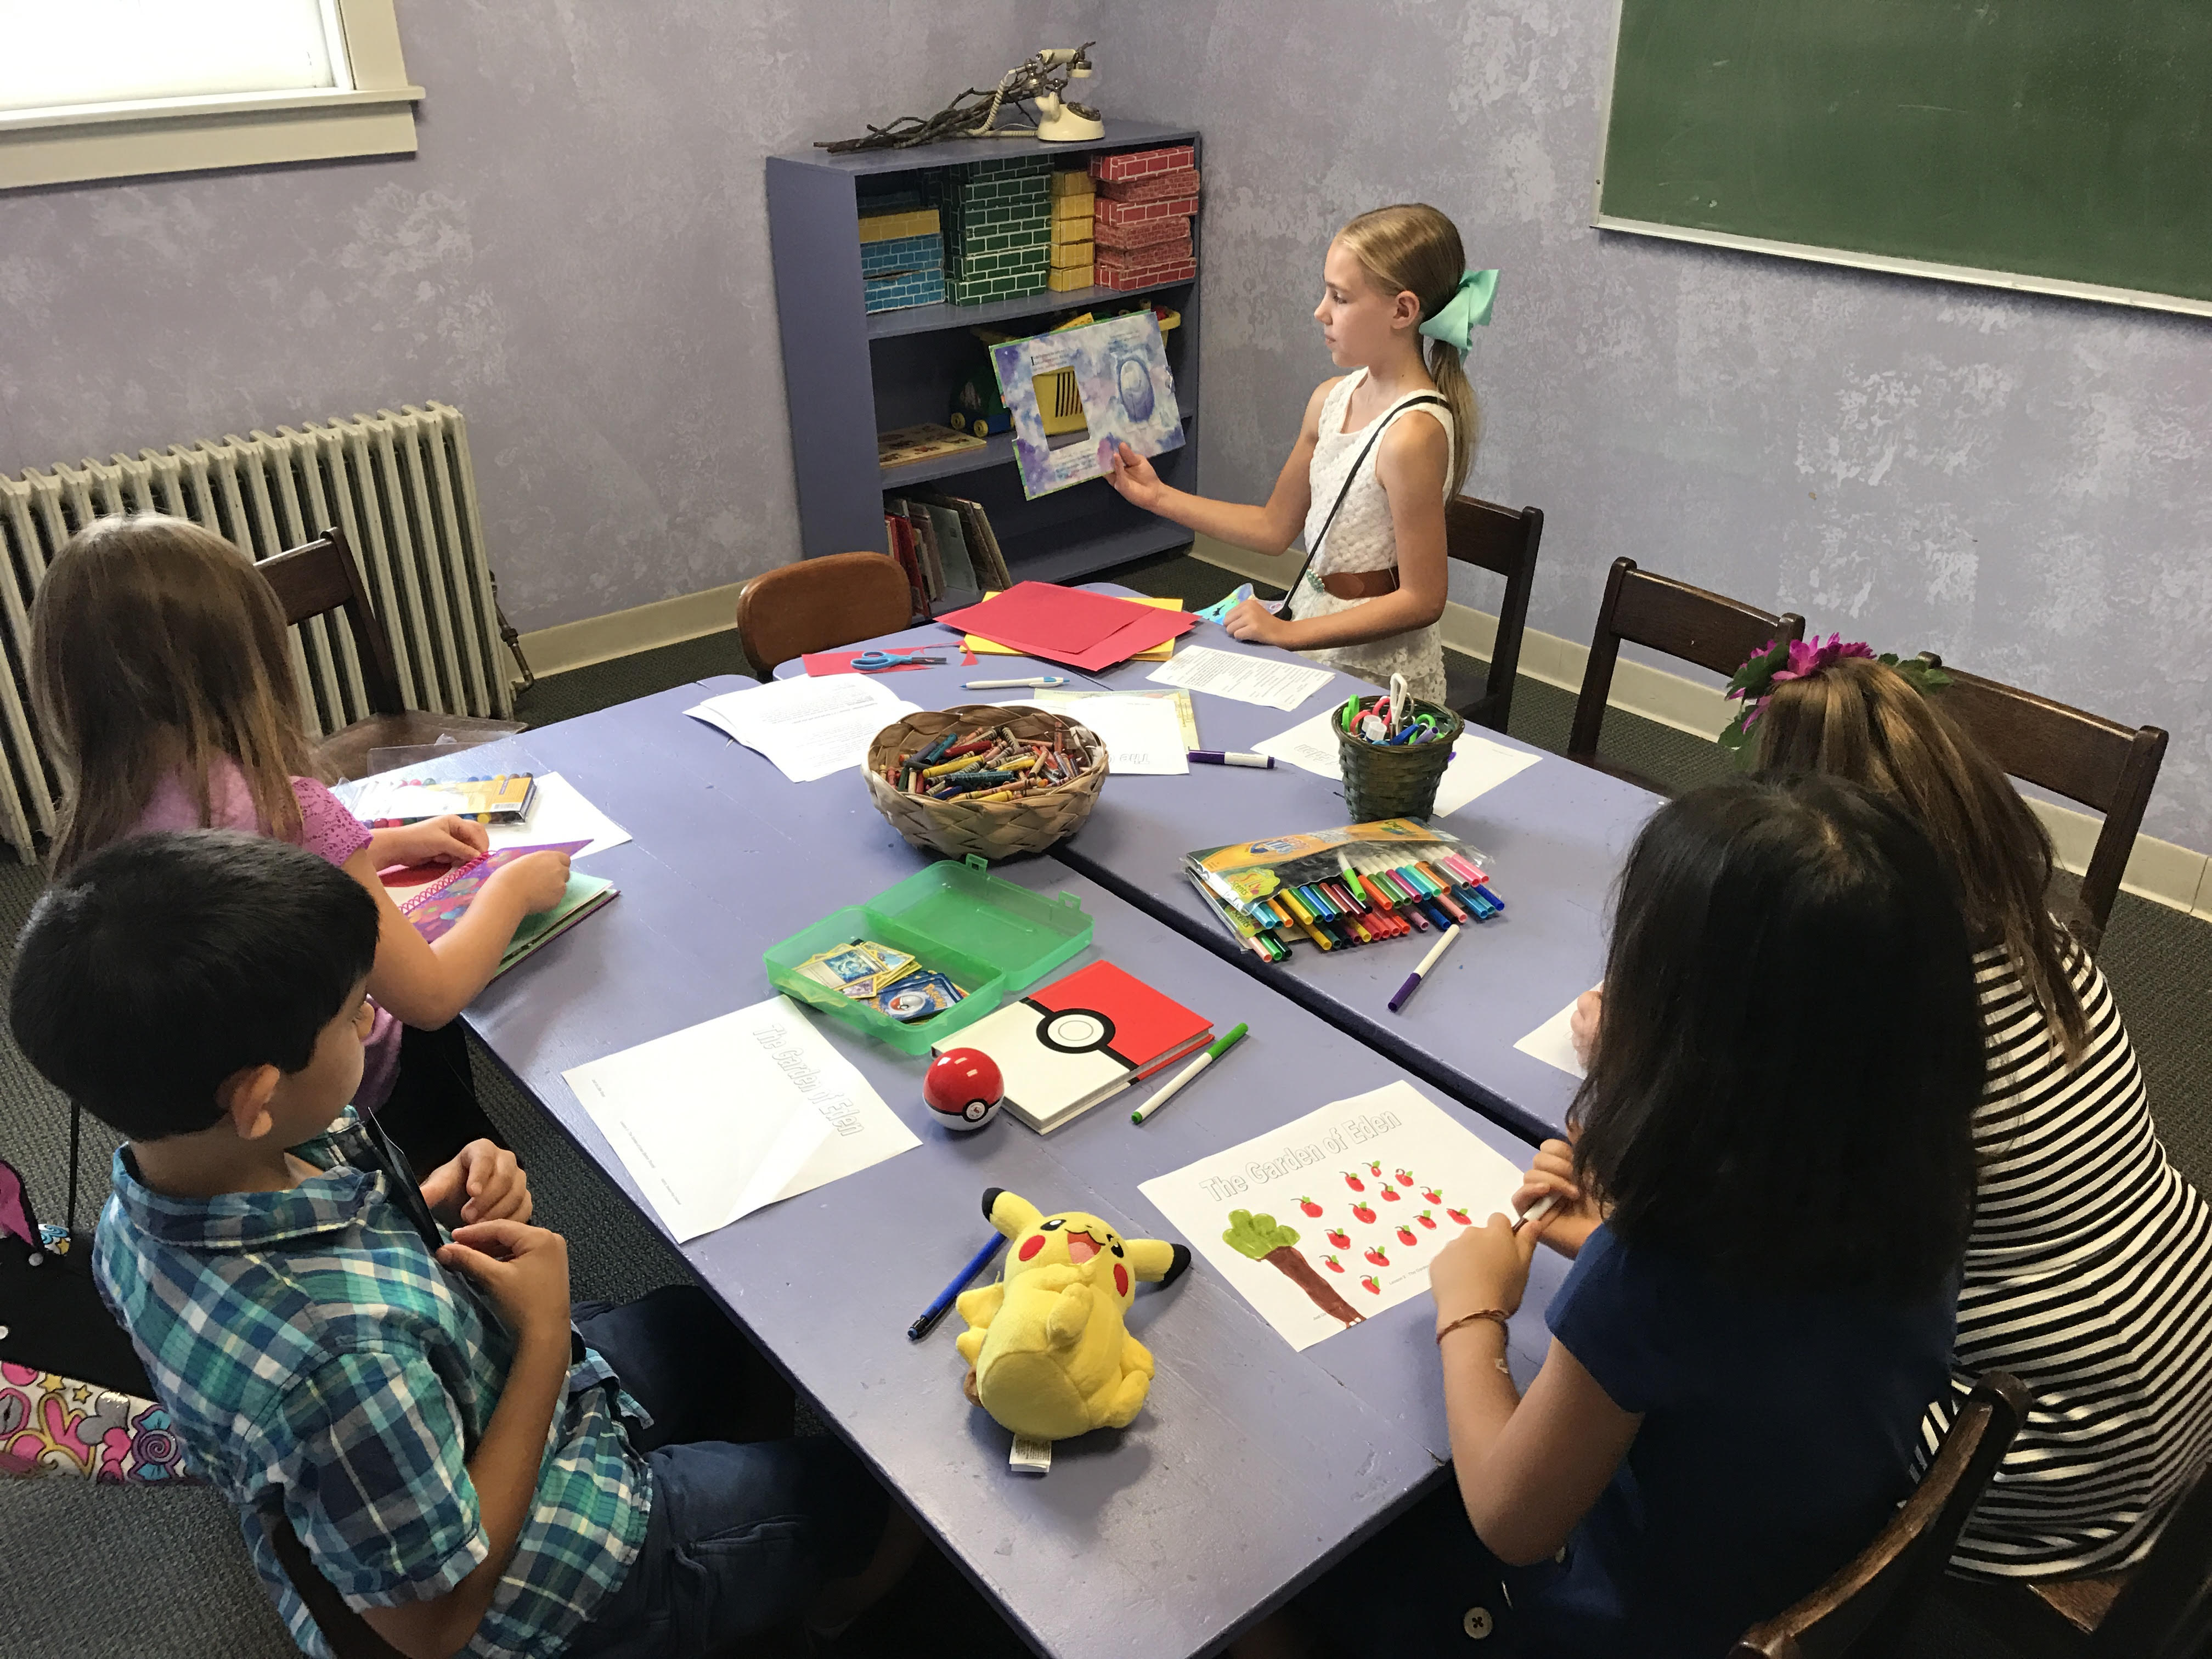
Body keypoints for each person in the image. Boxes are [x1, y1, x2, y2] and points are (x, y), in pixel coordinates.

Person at [11, 831, 913, 1658]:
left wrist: (432, 1206)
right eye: (353, 1011)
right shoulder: (336, 1354)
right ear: (254, 1093)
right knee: (870, 1488)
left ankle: (723, 1530)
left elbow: (343, 1265)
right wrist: (546, 1341)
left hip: (455, 1408)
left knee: (709, 1328)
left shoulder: (169, 1181)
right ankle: (788, 1594)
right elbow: (433, 1620)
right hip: (540, 1582)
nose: (371, 1022)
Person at [1260, 776, 1988, 1658]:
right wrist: (1609, 1232)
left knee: (1284, 1556)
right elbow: (1752, 1337)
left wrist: (1473, 1307)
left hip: (1623, 1624)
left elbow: (1508, 1518)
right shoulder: (1914, 1171)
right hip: (1773, 1560)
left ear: (1687, 1035)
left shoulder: (1661, 1271)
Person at [1729, 644, 2211, 1577]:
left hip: (2041, 1459)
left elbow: (1765, 1245)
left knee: (1721, 1380)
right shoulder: (2045, 950)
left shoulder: (1895, 1041)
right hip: (2179, 1355)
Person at [29, 512, 568, 1170]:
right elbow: (428, 998)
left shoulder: (96, 825)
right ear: (250, 661)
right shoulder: (289, 810)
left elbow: (248, 882)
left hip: (235, 1114)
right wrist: (514, 888)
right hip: (365, 1093)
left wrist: (380, 845)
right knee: (476, 1192)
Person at [1104, 203, 1492, 704]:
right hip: (1308, 627)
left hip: (1374, 675)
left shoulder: (1413, 435)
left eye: (1340, 297)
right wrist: (1158, 497)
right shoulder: (1329, 400)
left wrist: (1286, 635)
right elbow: (1273, 529)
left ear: (1402, 311)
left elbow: (1422, 599)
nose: (1321, 312)